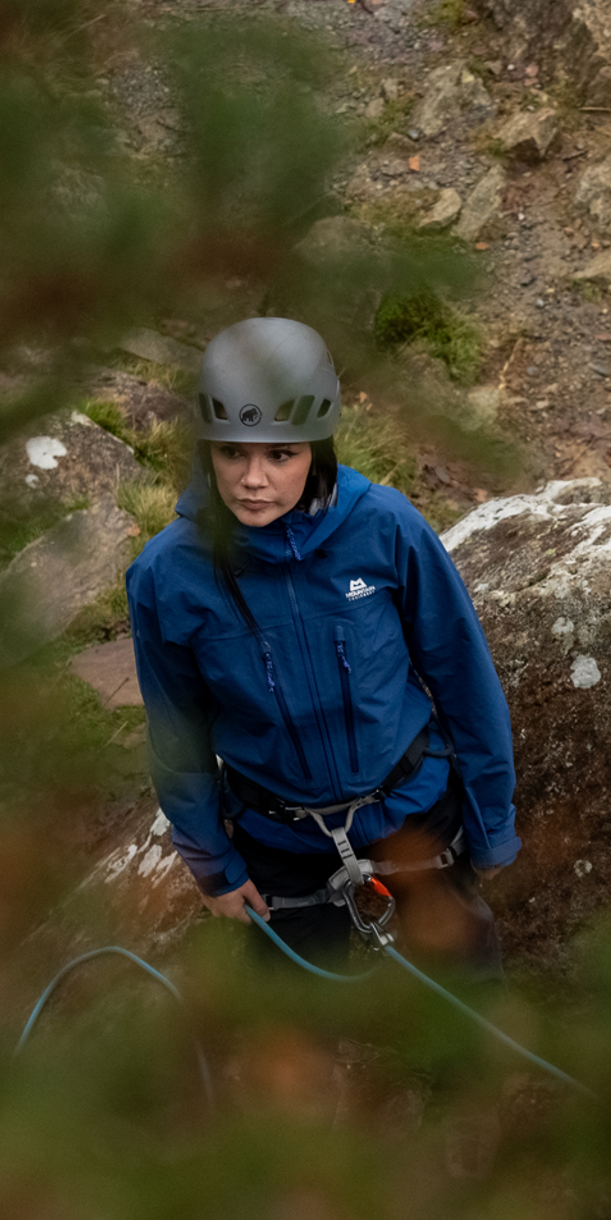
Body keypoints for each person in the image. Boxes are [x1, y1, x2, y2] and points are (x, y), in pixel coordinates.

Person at [125, 317, 519, 971]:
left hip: (411, 809)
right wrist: (212, 864)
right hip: (279, 836)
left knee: (464, 982)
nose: (253, 478)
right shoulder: (168, 576)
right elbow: (176, 730)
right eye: (232, 453)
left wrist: (492, 819)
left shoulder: (386, 528)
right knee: (297, 1017)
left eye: (280, 454)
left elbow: (462, 676)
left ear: (317, 447)